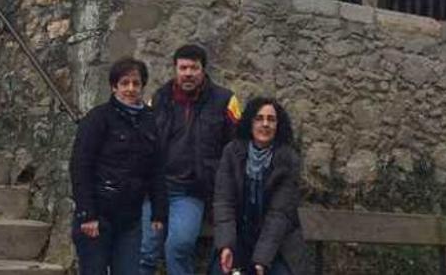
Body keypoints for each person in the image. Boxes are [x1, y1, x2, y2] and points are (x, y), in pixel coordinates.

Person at [140, 44, 242, 275]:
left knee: (178, 247)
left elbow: (237, 148)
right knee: (145, 252)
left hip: (191, 192)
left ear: (203, 70)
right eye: (183, 67)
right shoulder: (159, 98)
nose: (188, 73)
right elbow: (145, 142)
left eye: (194, 68)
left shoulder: (226, 100)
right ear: (175, 69)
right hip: (156, 190)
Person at [70, 57, 167, 275]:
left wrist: (159, 211)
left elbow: (156, 168)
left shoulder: (150, 122)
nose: (130, 89)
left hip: (130, 218)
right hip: (98, 213)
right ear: (114, 86)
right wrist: (87, 214)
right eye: (125, 83)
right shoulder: (97, 119)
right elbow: (80, 166)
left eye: (136, 83)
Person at [213, 97, 313, 275]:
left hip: (278, 246)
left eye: (271, 119)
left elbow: (279, 215)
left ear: (278, 125)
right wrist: (226, 245)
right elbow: (224, 203)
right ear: (249, 123)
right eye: (259, 118)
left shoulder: (288, 159)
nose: (265, 124)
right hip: (239, 240)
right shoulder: (232, 153)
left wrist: (260, 261)